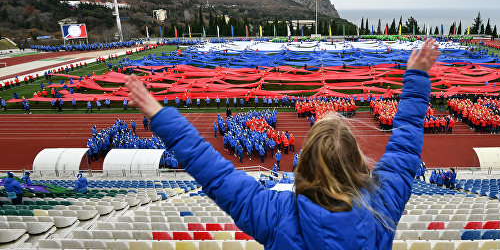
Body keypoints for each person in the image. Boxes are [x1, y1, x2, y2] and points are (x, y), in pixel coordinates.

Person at [124, 38, 439, 250]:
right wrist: (416, 79)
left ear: (304, 163)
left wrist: (161, 116)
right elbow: (405, 145)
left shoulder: (274, 214)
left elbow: (215, 173)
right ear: (357, 161)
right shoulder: (383, 204)